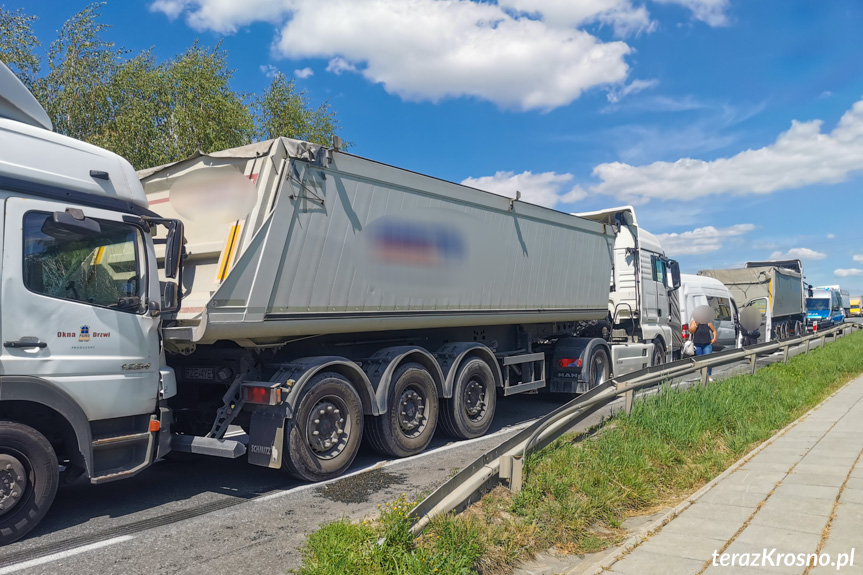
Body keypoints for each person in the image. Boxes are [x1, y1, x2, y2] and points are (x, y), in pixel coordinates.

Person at [689, 315, 717, 382]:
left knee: (708, 360)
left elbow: (714, 331)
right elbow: (691, 331)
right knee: (700, 362)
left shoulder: (708, 323)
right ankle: (703, 376)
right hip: (697, 345)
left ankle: (709, 375)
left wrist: (714, 339)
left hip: (707, 344)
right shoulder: (693, 322)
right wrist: (696, 325)